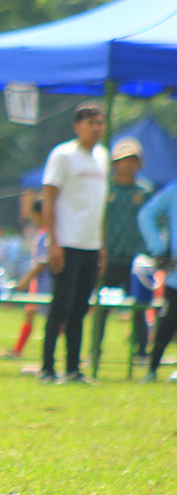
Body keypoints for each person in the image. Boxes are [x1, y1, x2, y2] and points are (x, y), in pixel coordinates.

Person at [38, 104, 109, 384]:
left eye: (101, 122)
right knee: (61, 307)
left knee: (80, 309)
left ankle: (73, 369)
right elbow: (49, 199)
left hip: (90, 245)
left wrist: (101, 243)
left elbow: (98, 205)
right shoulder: (63, 155)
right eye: (91, 122)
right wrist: (53, 242)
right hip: (66, 243)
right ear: (77, 125)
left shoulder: (103, 157)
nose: (97, 127)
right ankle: (47, 368)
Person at [91, 137, 151, 364]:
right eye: (124, 160)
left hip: (136, 259)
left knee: (139, 307)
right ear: (115, 163)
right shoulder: (105, 188)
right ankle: (95, 351)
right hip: (109, 257)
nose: (128, 165)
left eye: (133, 160)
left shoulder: (145, 191)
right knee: (101, 307)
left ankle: (141, 352)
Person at [0, 199, 50, 358]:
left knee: (57, 320)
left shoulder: (47, 233)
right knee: (30, 314)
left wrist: (26, 279)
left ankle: (74, 355)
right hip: (38, 282)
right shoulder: (42, 233)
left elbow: (43, 262)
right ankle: (17, 350)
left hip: (45, 282)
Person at [137, 181, 177, 383]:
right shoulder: (174, 191)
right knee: (168, 322)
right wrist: (159, 250)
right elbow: (146, 215)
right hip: (176, 273)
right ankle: (152, 369)